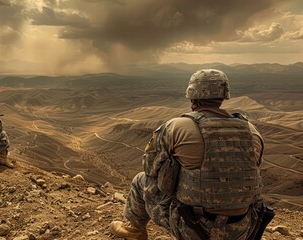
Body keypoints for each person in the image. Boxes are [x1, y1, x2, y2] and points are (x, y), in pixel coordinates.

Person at [110, 69, 269, 240]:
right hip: (242, 229)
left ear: (192, 97)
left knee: (141, 181)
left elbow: (150, 168)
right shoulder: (251, 131)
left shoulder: (176, 127)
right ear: (224, 96)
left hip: (192, 227)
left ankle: (135, 230)